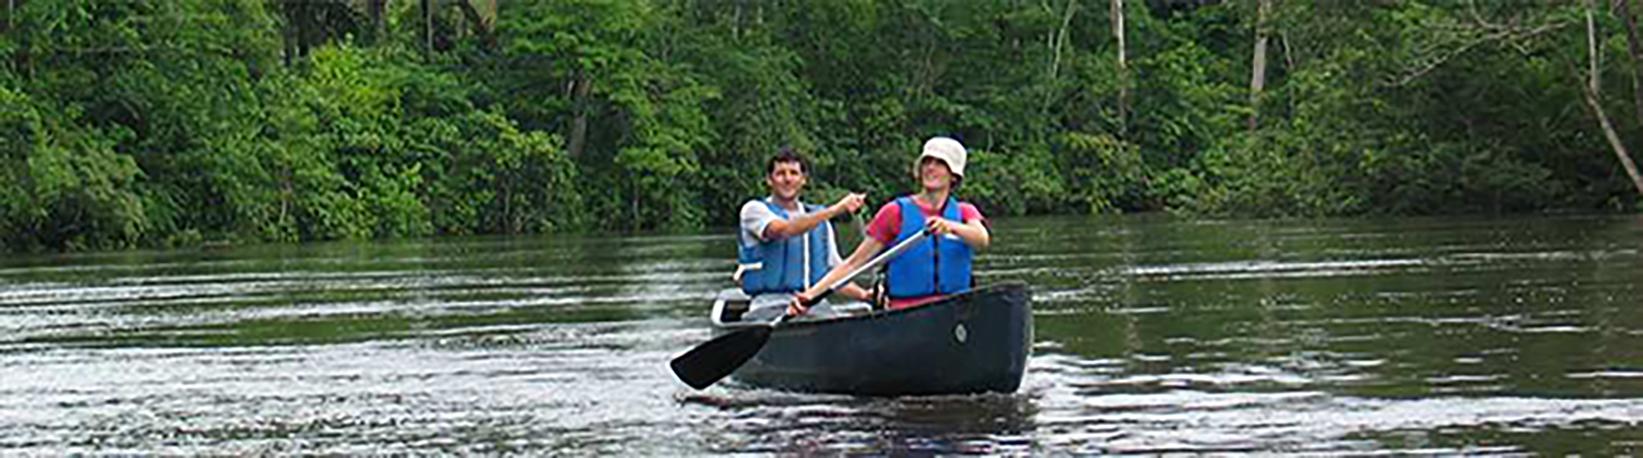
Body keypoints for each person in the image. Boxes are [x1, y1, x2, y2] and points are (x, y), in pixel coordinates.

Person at [788, 136, 989, 316]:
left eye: (940, 164)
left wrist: (951, 227)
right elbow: (853, 263)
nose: (930, 168)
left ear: (953, 175)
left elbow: (981, 238)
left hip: (954, 310)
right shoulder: (895, 212)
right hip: (906, 312)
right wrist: (811, 295)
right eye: (927, 162)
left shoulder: (965, 212)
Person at [737, 147, 872, 319]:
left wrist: (864, 295)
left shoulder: (820, 220)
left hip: (814, 305)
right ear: (769, 180)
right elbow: (783, 230)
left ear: (803, 180)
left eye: (794, 173)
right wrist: (836, 210)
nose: (787, 179)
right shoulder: (754, 210)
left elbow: (834, 274)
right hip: (769, 306)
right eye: (780, 174)